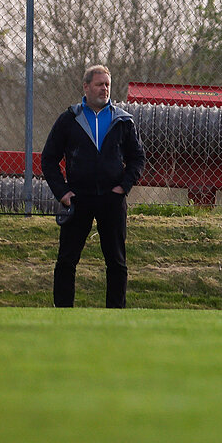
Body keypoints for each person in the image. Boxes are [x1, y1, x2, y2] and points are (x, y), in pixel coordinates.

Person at [42, 64, 145, 308]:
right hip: (78, 198)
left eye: (107, 85)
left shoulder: (123, 121)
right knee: (67, 260)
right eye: (99, 84)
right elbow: (48, 159)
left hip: (112, 199)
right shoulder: (69, 119)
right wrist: (62, 192)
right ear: (86, 87)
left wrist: (124, 187)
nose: (104, 89)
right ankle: (62, 313)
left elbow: (137, 158)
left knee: (117, 262)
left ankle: (115, 314)